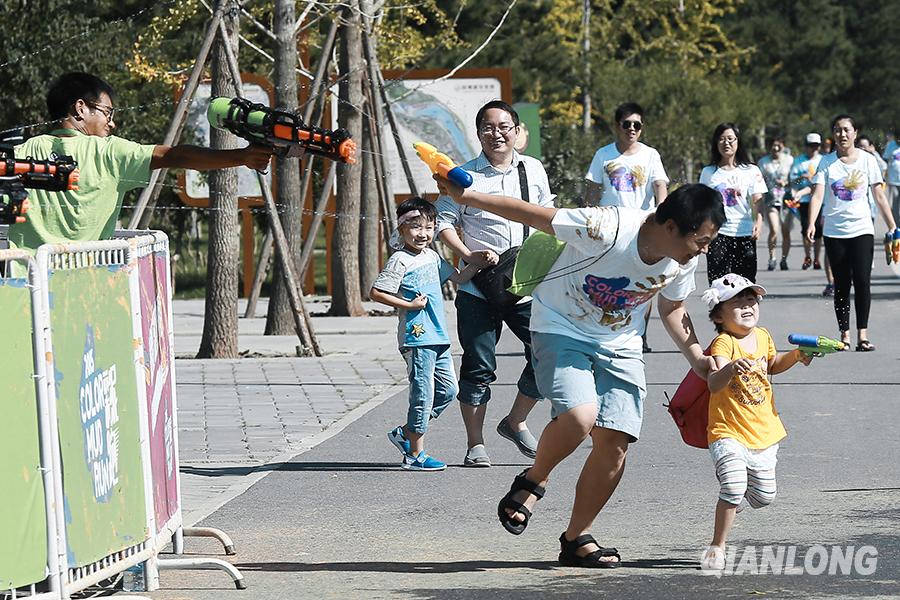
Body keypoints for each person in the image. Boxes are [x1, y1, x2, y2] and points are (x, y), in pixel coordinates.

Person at [434, 173, 724, 568]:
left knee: (615, 442)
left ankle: (576, 538)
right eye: (701, 241)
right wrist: (467, 195)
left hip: (620, 344)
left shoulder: (680, 261)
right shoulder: (608, 226)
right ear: (671, 226)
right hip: (560, 327)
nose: (704, 250)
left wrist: (698, 358)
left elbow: (673, 308)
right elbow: (531, 214)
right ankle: (535, 478)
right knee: (579, 416)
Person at [7, 72, 272, 252]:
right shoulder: (109, 152)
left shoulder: (20, 153)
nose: (112, 123)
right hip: (85, 288)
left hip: (26, 287)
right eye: (107, 113)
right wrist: (242, 157)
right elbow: (174, 155)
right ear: (80, 109)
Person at [435, 100, 555, 467]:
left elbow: (548, 216)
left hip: (526, 284)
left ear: (517, 131)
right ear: (478, 133)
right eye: (488, 127)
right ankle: (475, 445)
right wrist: (467, 254)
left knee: (547, 353)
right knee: (478, 365)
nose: (496, 134)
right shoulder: (462, 176)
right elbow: (443, 222)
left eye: (504, 127)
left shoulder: (533, 169)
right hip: (478, 287)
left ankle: (516, 420)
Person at [698, 274, 812, 572]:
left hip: (764, 431)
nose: (748, 306)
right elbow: (714, 383)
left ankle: (736, 492)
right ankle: (717, 546)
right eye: (738, 302)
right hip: (727, 430)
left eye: (752, 300)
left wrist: (797, 356)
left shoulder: (762, 336)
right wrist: (731, 368)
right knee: (733, 487)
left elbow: (772, 365)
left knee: (763, 498)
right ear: (719, 316)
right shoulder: (723, 343)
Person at [370, 197, 490, 471]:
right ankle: (415, 455)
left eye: (428, 227)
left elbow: (459, 278)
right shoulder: (400, 260)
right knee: (423, 395)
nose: (422, 233)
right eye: (415, 227)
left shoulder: (432, 257)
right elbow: (376, 292)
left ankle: (406, 433)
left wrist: (479, 262)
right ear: (401, 229)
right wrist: (409, 305)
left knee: (448, 391)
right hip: (417, 339)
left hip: (439, 337)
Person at [806, 115, 898, 352]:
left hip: (862, 229)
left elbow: (879, 195)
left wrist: (892, 225)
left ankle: (862, 335)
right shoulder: (826, 162)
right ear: (833, 135)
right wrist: (811, 223)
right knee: (842, 284)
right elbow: (817, 195)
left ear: (855, 133)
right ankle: (844, 335)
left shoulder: (868, 160)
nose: (842, 134)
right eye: (837, 130)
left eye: (847, 130)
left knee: (863, 281)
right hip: (834, 231)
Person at [583, 102, 669, 352]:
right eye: (627, 124)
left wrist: (662, 213)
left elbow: (660, 185)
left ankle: (639, 334)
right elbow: (592, 189)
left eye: (637, 125)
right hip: (611, 226)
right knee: (609, 279)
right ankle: (608, 330)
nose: (632, 129)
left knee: (642, 281)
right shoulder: (603, 154)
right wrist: (587, 216)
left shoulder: (650, 155)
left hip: (643, 227)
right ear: (617, 126)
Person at [699, 123, 767, 284]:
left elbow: (758, 200)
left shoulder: (751, 170)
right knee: (718, 284)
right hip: (717, 234)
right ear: (716, 143)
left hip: (744, 233)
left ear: (738, 141)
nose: (726, 143)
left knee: (745, 284)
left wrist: (759, 222)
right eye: (721, 139)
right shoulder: (708, 172)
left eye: (730, 139)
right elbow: (703, 206)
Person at [757, 137, 793, 270]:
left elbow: (796, 179)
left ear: (783, 146)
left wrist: (787, 183)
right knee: (774, 229)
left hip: (787, 200)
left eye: (779, 145)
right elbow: (758, 181)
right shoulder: (763, 162)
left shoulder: (790, 160)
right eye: (773, 146)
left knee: (786, 231)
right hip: (771, 199)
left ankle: (784, 259)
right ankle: (772, 257)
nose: (776, 148)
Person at [882, 130, 900, 225]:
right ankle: (896, 227)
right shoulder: (891, 145)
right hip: (894, 181)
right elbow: (884, 160)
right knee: (894, 205)